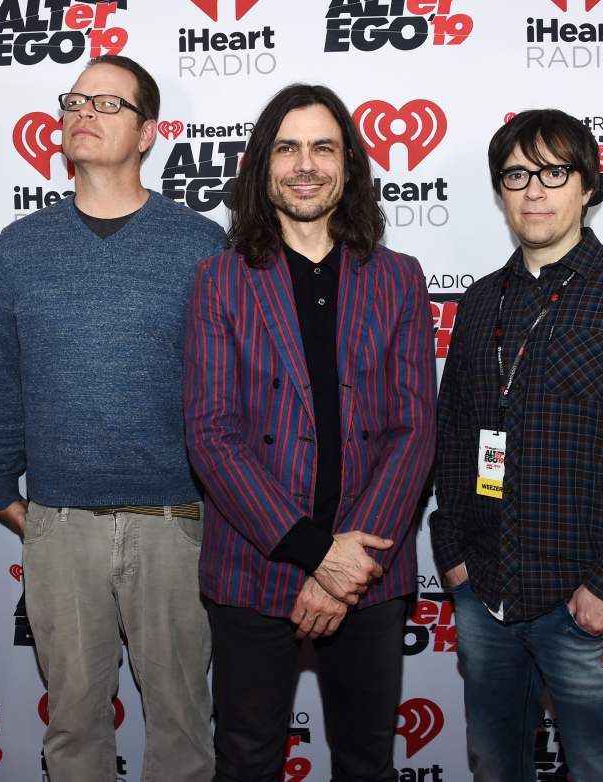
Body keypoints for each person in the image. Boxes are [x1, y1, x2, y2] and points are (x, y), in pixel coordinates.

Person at [0, 55, 226, 782]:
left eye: (108, 104)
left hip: (175, 522)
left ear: (147, 132)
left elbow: (224, 386)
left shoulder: (199, 243)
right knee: (74, 726)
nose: (84, 113)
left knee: (181, 726)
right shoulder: (21, 245)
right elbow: (3, 374)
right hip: (58, 524)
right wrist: (0, 488)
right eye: (75, 100)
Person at [430, 108, 603, 781]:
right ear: (500, 192)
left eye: (553, 171)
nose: (534, 191)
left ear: (587, 186)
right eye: (516, 175)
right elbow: (457, 436)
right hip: (485, 593)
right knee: (494, 767)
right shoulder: (481, 301)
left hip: (586, 601)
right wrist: (452, 554)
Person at [183, 83, 437, 782]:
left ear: (348, 166)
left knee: (365, 763)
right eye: (288, 148)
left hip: (369, 567)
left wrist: (347, 565)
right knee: (247, 760)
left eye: (323, 147)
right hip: (255, 564)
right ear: (263, 167)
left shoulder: (399, 279)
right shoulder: (219, 280)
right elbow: (210, 434)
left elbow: (414, 431)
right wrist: (312, 551)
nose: (305, 164)